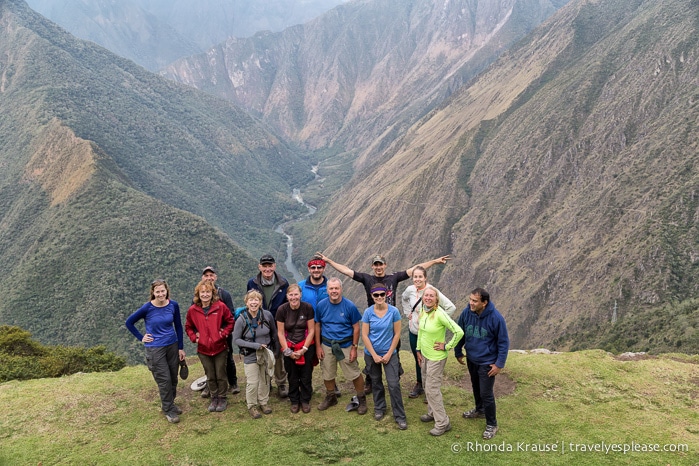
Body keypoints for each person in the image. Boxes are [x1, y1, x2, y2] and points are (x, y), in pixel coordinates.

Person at [318, 252, 451, 392]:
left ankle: (394, 377)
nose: (378, 267)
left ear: (385, 265)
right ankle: (370, 380)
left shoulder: (393, 278)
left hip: (390, 322)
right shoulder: (367, 279)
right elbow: (346, 271)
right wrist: (329, 261)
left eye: (380, 264)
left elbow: (415, 269)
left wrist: (434, 261)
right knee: (371, 351)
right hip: (373, 321)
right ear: (372, 266)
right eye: (375, 265)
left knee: (394, 350)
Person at [125, 279, 185, 424]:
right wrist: (141, 337)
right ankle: (168, 409)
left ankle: (171, 403)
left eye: (162, 291)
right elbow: (129, 322)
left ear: (167, 291)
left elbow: (178, 326)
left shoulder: (173, 305)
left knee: (173, 377)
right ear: (153, 292)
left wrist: (181, 347)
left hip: (172, 344)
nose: (160, 294)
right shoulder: (147, 308)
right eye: (157, 291)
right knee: (164, 380)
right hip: (155, 348)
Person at [455, 288, 509, 440]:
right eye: (470, 299)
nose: (471, 303)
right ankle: (479, 410)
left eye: (475, 301)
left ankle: (492, 424)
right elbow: (461, 332)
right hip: (472, 359)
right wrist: (458, 351)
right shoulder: (466, 313)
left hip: (487, 362)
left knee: (486, 393)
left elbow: (503, 342)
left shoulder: (496, 318)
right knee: (476, 387)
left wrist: (499, 364)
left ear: (484, 303)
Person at [401, 266, 456, 399]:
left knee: (429, 361)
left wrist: (436, 321)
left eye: (420, 276)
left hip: (428, 335)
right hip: (414, 331)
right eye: (415, 277)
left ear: (425, 278)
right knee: (418, 358)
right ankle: (420, 384)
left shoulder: (431, 291)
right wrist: (407, 311)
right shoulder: (410, 290)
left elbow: (450, 307)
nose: (418, 279)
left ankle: (430, 390)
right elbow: (404, 298)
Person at [314, 278, 367, 414]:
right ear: (327, 290)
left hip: (345, 344)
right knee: (327, 372)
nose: (334, 291)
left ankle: (361, 398)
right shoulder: (321, 305)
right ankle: (331, 396)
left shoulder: (349, 306)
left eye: (336, 288)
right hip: (327, 344)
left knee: (354, 372)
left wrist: (354, 347)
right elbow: (317, 325)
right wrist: (318, 346)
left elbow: (356, 327)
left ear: (341, 289)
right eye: (331, 289)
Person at [416, 286, 464, 436]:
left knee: (432, 389)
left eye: (431, 296)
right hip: (425, 355)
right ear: (423, 297)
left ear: (437, 299)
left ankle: (443, 423)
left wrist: (447, 346)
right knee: (426, 385)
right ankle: (432, 413)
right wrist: (418, 350)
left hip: (436, 358)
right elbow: (421, 333)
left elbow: (459, 331)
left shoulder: (439, 314)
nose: (428, 298)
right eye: (426, 295)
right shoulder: (423, 311)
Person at [362, 283, 407, 430]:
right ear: (372, 296)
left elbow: (397, 334)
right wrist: (374, 354)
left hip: (390, 353)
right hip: (372, 354)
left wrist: (388, 353)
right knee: (376, 382)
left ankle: (399, 416)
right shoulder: (368, 313)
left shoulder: (394, 311)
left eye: (382, 294)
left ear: (386, 295)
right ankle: (379, 408)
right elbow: (365, 335)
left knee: (393, 384)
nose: (379, 297)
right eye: (376, 295)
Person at [185, 280, 234, 413]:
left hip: (220, 348)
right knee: (210, 375)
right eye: (203, 292)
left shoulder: (220, 307)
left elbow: (230, 322)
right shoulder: (193, 310)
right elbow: (188, 326)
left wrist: (223, 334)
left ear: (213, 293)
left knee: (220, 374)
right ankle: (214, 397)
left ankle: (222, 397)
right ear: (198, 294)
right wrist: (194, 338)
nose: (205, 295)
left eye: (208, 292)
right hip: (203, 349)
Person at [247, 254, 289, 397]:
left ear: (274, 266)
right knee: (263, 352)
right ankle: (266, 382)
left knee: (277, 353)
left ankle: (281, 383)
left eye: (270, 266)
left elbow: (286, 305)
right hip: (259, 323)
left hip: (278, 323)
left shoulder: (283, 283)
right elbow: (250, 303)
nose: (267, 269)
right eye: (264, 266)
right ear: (259, 267)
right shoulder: (252, 283)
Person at [299, 255, 340, 397]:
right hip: (307, 329)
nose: (316, 270)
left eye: (319, 267)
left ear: (324, 268)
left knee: (329, 357)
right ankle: (306, 388)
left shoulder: (330, 286)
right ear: (309, 269)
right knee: (308, 359)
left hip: (327, 328)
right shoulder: (301, 286)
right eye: (313, 267)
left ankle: (332, 385)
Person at [232, 290, 277, 419]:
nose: (253, 302)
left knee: (265, 378)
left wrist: (275, 350)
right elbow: (236, 340)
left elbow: (273, 333)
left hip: (265, 353)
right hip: (250, 354)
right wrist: (255, 345)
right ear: (246, 302)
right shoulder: (241, 319)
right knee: (253, 382)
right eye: (251, 300)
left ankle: (263, 402)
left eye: (256, 299)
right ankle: (252, 405)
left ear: (260, 302)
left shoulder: (267, 316)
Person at [200, 266, 240, 398]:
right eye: (206, 275)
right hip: (206, 336)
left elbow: (231, 314)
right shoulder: (199, 294)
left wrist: (223, 331)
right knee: (208, 360)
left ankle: (233, 383)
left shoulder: (224, 294)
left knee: (228, 358)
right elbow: (194, 315)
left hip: (223, 334)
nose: (209, 278)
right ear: (202, 278)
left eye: (211, 275)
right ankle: (210, 385)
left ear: (215, 277)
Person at [276, 284, 315, 413]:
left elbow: (311, 330)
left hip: (306, 345)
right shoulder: (282, 310)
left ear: (300, 295)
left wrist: (304, 349)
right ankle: (294, 400)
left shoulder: (307, 308)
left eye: (296, 294)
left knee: (306, 374)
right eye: (291, 295)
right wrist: (288, 351)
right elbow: (280, 333)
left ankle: (305, 400)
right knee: (292, 375)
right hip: (288, 346)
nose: (294, 297)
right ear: (287, 296)